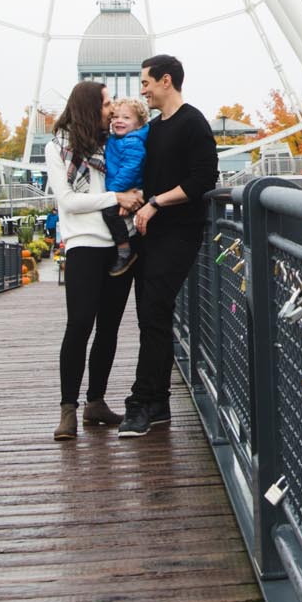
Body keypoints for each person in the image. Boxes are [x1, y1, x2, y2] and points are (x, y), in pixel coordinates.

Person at [108, 53, 219, 438]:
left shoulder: (193, 123)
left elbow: (204, 178)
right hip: (151, 235)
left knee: (154, 312)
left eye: (146, 83)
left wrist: (157, 202)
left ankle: (141, 403)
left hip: (180, 234)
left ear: (166, 80)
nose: (143, 90)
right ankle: (157, 405)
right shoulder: (154, 130)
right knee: (151, 318)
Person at [47, 80, 129, 441]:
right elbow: (68, 201)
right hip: (82, 245)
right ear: (88, 106)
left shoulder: (114, 145)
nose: (111, 109)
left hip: (118, 244)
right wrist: (116, 197)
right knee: (79, 326)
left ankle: (96, 401)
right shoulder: (57, 149)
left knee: (109, 328)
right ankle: (68, 409)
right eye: (106, 103)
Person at [101, 97, 150, 278]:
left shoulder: (132, 142)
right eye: (115, 117)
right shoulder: (115, 139)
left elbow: (130, 168)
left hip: (126, 186)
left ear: (138, 125)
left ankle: (124, 249)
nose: (119, 121)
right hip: (120, 188)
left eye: (126, 118)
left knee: (109, 211)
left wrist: (113, 192)